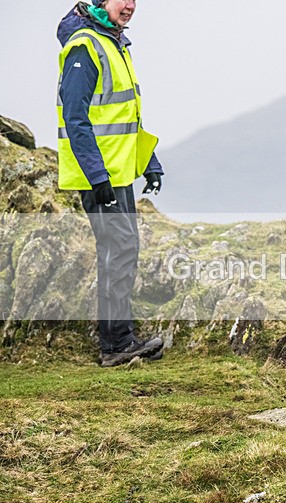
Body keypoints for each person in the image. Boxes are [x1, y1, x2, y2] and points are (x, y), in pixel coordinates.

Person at [57, 0, 164, 367]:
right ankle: (115, 345)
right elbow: (75, 117)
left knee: (124, 249)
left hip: (117, 174)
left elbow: (124, 116)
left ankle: (120, 340)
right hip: (100, 176)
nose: (131, 5)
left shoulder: (114, 43)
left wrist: (149, 161)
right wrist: (97, 176)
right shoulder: (85, 46)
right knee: (117, 249)